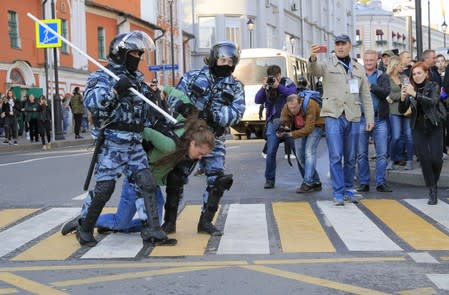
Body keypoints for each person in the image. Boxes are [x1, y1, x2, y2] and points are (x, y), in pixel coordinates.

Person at [76, 30, 167, 247]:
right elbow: (93, 102)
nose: (139, 58)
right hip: (112, 142)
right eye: (135, 54)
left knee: (146, 182)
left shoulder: (137, 79)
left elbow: (147, 107)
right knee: (105, 188)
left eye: (140, 54)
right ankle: (85, 227)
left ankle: (153, 230)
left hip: (134, 142)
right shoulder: (102, 76)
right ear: (123, 53)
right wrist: (116, 91)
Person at [61, 114, 215, 236]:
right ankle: (85, 221)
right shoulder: (169, 145)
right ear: (193, 143)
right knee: (119, 222)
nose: (200, 157)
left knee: (153, 222)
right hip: (136, 182)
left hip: (151, 186)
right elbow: (144, 130)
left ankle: (113, 226)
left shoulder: (185, 147)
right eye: (200, 153)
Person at [165, 40, 245, 236]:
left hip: (214, 138)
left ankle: (206, 222)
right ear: (213, 58)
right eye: (222, 59)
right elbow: (173, 96)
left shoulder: (235, 86)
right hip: (188, 136)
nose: (225, 64)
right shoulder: (193, 76)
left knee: (217, 179)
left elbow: (238, 112)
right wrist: (183, 107)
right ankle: (168, 223)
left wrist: (215, 116)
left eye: (230, 61)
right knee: (176, 177)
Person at [308, 35, 374, 206]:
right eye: (337, 44)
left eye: (343, 44)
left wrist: (370, 118)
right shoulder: (327, 64)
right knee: (336, 155)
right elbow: (314, 71)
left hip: (352, 115)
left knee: (351, 156)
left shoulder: (358, 68)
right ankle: (338, 192)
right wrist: (313, 58)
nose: (340, 47)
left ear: (350, 46)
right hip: (333, 115)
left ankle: (348, 188)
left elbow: (366, 96)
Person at [399, 62, 444, 205]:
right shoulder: (409, 88)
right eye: (414, 74)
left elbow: (432, 102)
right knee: (424, 158)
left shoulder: (433, 86)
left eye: (419, 73)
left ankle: (433, 182)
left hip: (434, 125)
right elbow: (402, 109)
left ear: (426, 73)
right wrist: (402, 97)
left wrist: (414, 94)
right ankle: (432, 189)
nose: (416, 76)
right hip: (418, 127)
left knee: (436, 159)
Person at [255, 65, 297, 189]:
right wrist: (264, 87)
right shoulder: (267, 86)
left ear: (279, 75)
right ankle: (269, 180)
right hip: (274, 122)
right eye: (271, 77)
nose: (274, 79)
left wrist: (278, 86)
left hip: (289, 121)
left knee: (298, 151)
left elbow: (294, 94)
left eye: (276, 76)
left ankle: (308, 178)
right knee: (271, 151)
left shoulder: (287, 83)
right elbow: (257, 100)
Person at [356, 50, 392, 193]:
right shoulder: (358, 76)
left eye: (372, 60)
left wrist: (372, 87)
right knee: (361, 153)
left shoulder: (382, 76)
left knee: (382, 153)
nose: (369, 62)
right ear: (363, 60)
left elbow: (386, 92)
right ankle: (364, 182)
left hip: (379, 118)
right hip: (361, 118)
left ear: (376, 60)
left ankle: (380, 182)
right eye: (367, 60)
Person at [279, 91, 324, 193]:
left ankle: (307, 182)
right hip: (300, 128)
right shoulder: (286, 107)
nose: (293, 110)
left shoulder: (310, 104)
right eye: (291, 108)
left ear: (300, 103)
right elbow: (284, 120)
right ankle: (316, 182)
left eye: (295, 107)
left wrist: (291, 134)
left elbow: (309, 129)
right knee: (300, 156)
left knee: (309, 151)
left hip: (316, 126)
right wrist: (283, 129)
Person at [386, 56, 414, 171]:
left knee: (409, 136)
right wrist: (399, 96)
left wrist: (396, 97)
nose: (403, 67)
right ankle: (392, 159)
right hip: (394, 111)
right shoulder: (386, 78)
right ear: (395, 66)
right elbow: (387, 93)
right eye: (400, 65)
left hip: (406, 110)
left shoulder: (404, 77)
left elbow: (409, 91)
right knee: (396, 136)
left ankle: (409, 161)